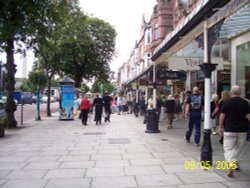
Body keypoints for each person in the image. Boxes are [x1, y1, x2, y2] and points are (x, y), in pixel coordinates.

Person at [219, 85, 250, 177]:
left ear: (230, 93)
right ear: (240, 93)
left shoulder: (226, 102)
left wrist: (220, 126)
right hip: (242, 130)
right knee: (239, 148)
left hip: (229, 129)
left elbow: (222, 116)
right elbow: (249, 116)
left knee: (228, 148)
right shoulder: (245, 103)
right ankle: (235, 163)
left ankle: (231, 163)